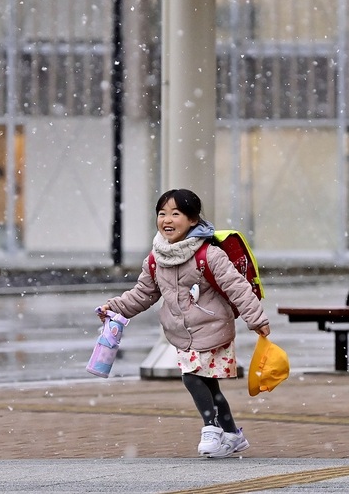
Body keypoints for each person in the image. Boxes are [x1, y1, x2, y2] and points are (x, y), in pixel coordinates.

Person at [99, 188, 271, 458]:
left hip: (213, 328)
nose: (167, 219)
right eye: (162, 213)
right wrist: (116, 306)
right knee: (210, 386)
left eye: (175, 213)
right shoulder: (156, 258)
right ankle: (233, 435)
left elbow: (237, 288)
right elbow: (144, 294)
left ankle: (211, 429)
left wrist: (256, 319)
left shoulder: (209, 255)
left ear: (192, 220)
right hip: (182, 332)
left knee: (191, 376)